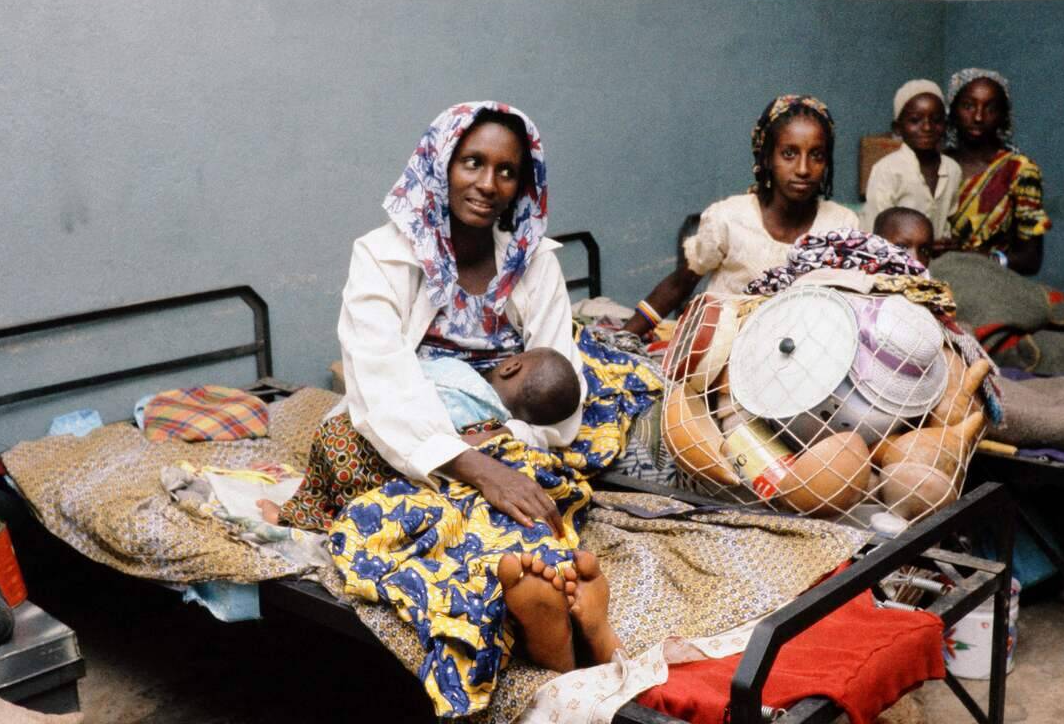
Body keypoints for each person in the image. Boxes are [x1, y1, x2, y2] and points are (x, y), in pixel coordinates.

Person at [282, 103, 622, 709]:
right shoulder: (382, 255)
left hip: (502, 428)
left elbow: (558, 379)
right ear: (441, 164)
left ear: (524, 182)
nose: (488, 185)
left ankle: (535, 587)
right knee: (349, 453)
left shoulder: (533, 260)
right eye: (473, 163)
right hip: (406, 430)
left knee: (531, 481)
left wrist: (497, 448)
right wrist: (473, 465)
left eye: (507, 171)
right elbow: (379, 381)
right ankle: (545, 584)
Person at [257, 347, 581, 525]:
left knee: (338, 431)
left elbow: (401, 381)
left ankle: (294, 514)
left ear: (511, 366)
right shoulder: (503, 430)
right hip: (408, 487)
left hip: (351, 457)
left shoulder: (456, 372)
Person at [623, 95, 858, 336]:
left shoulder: (840, 225)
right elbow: (679, 284)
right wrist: (619, 339)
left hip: (804, 356)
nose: (803, 169)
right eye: (789, 154)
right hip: (724, 355)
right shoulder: (729, 219)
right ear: (766, 157)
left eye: (816, 156)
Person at [943, 68, 1051, 275]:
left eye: (991, 108)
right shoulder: (937, 164)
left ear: (1003, 116)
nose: (978, 117)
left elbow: (1031, 260)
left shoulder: (1019, 171)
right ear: (952, 110)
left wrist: (978, 257)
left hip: (995, 286)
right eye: (968, 106)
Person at [861, 80, 962, 238]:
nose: (927, 127)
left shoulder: (953, 169)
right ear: (898, 128)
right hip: (896, 258)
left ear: (946, 126)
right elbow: (874, 230)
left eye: (936, 120)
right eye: (915, 120)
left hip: (941, 260)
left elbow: (950, 222)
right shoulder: (887, 170)